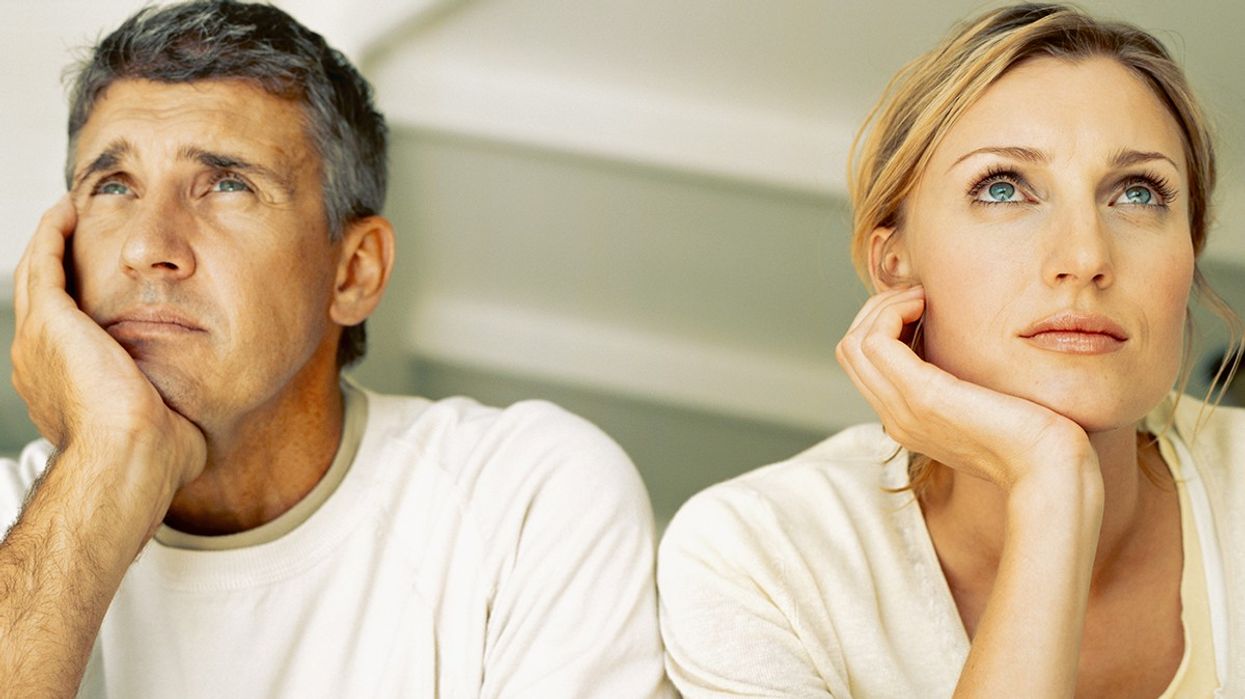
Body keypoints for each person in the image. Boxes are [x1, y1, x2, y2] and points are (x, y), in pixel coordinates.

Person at [1, 1, 671, 696]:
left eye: (228, 183)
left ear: (354, 271)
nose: (146, 247)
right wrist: (107, 458)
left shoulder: (525, 502)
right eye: (114, 186)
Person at [658, 3, 1244, 697]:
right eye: (1002, 188)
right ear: (895, 265)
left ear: (1189, 250)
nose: (1085, 256)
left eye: (1137, 193)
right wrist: (1049, 483)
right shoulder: (761, 559)